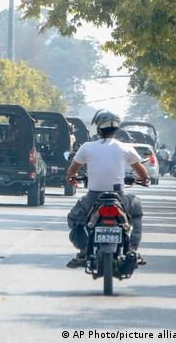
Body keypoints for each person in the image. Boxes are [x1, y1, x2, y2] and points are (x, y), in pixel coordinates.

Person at [64, 110, 149, 268]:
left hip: (93, 197)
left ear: (98, 128)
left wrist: (71, 179)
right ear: (117, 129)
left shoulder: (87, 147)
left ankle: (83, 251)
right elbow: (143, 173)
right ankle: (133, 250)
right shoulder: (125, 147)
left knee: (75, 219)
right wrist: (143, 179)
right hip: (119, 197)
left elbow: (71, 172)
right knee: (136, 212)